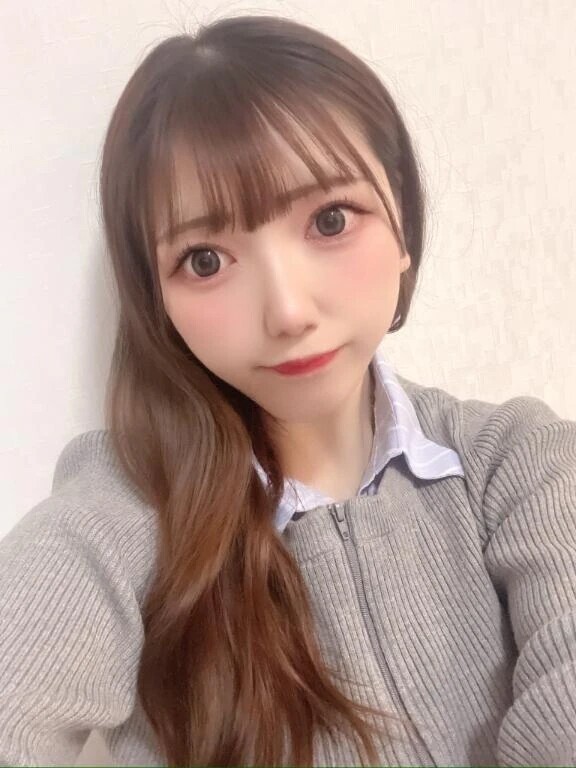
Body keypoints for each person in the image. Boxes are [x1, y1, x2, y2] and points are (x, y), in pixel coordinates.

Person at [0, 13, 575, 768]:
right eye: (205, 261)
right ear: (158, 300)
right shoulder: (126, 505)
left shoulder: (519, 463)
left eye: (330, 220)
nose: (288, 312)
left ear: (402, 222)